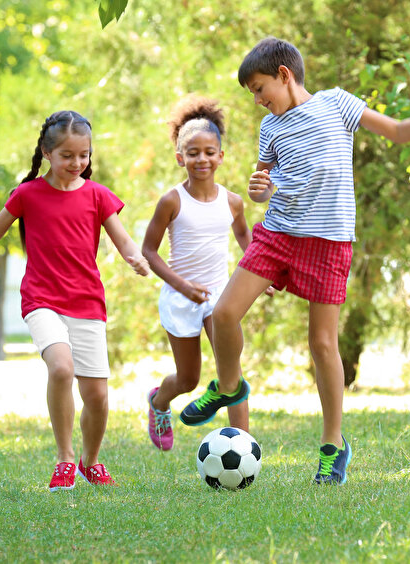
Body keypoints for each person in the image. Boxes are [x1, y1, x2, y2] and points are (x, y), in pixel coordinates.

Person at [178, 37, 410, 485]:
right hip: (277, 233)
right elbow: (267, 183)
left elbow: (395, 131)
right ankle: (227, 387)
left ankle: (333, 446)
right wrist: (259, 190)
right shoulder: (270, 128)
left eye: (259, 88)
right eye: (251, 93)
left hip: (328, 242)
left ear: (284, 75)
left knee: (323, 344)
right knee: (225, 313)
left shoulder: (336, 104)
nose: (257, 100)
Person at [0, 110, 150, 491]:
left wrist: (134, 257)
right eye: (67, 156)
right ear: (47, 152)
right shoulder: (27, 195)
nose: (77, 163)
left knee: (96, 396)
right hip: (42, 297)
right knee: (61, 368)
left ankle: (89, 461)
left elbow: (121, 238)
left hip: (87, 301)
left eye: (84, 155)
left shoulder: (97, 195)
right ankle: (63, 459)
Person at [141, 95, 259, 451]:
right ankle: (159, 402)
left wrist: (259, 272)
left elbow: (243, 236)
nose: (202, 159)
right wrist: (181, 285)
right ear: (180, 158)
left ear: (221, 156)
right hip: (180, 297)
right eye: (193, 153)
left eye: (210, 152)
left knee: (230, 371)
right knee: (189, 379)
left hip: (220, 298)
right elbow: (149, 251)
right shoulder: (172, 201)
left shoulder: (233, 202)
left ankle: (244, 444)